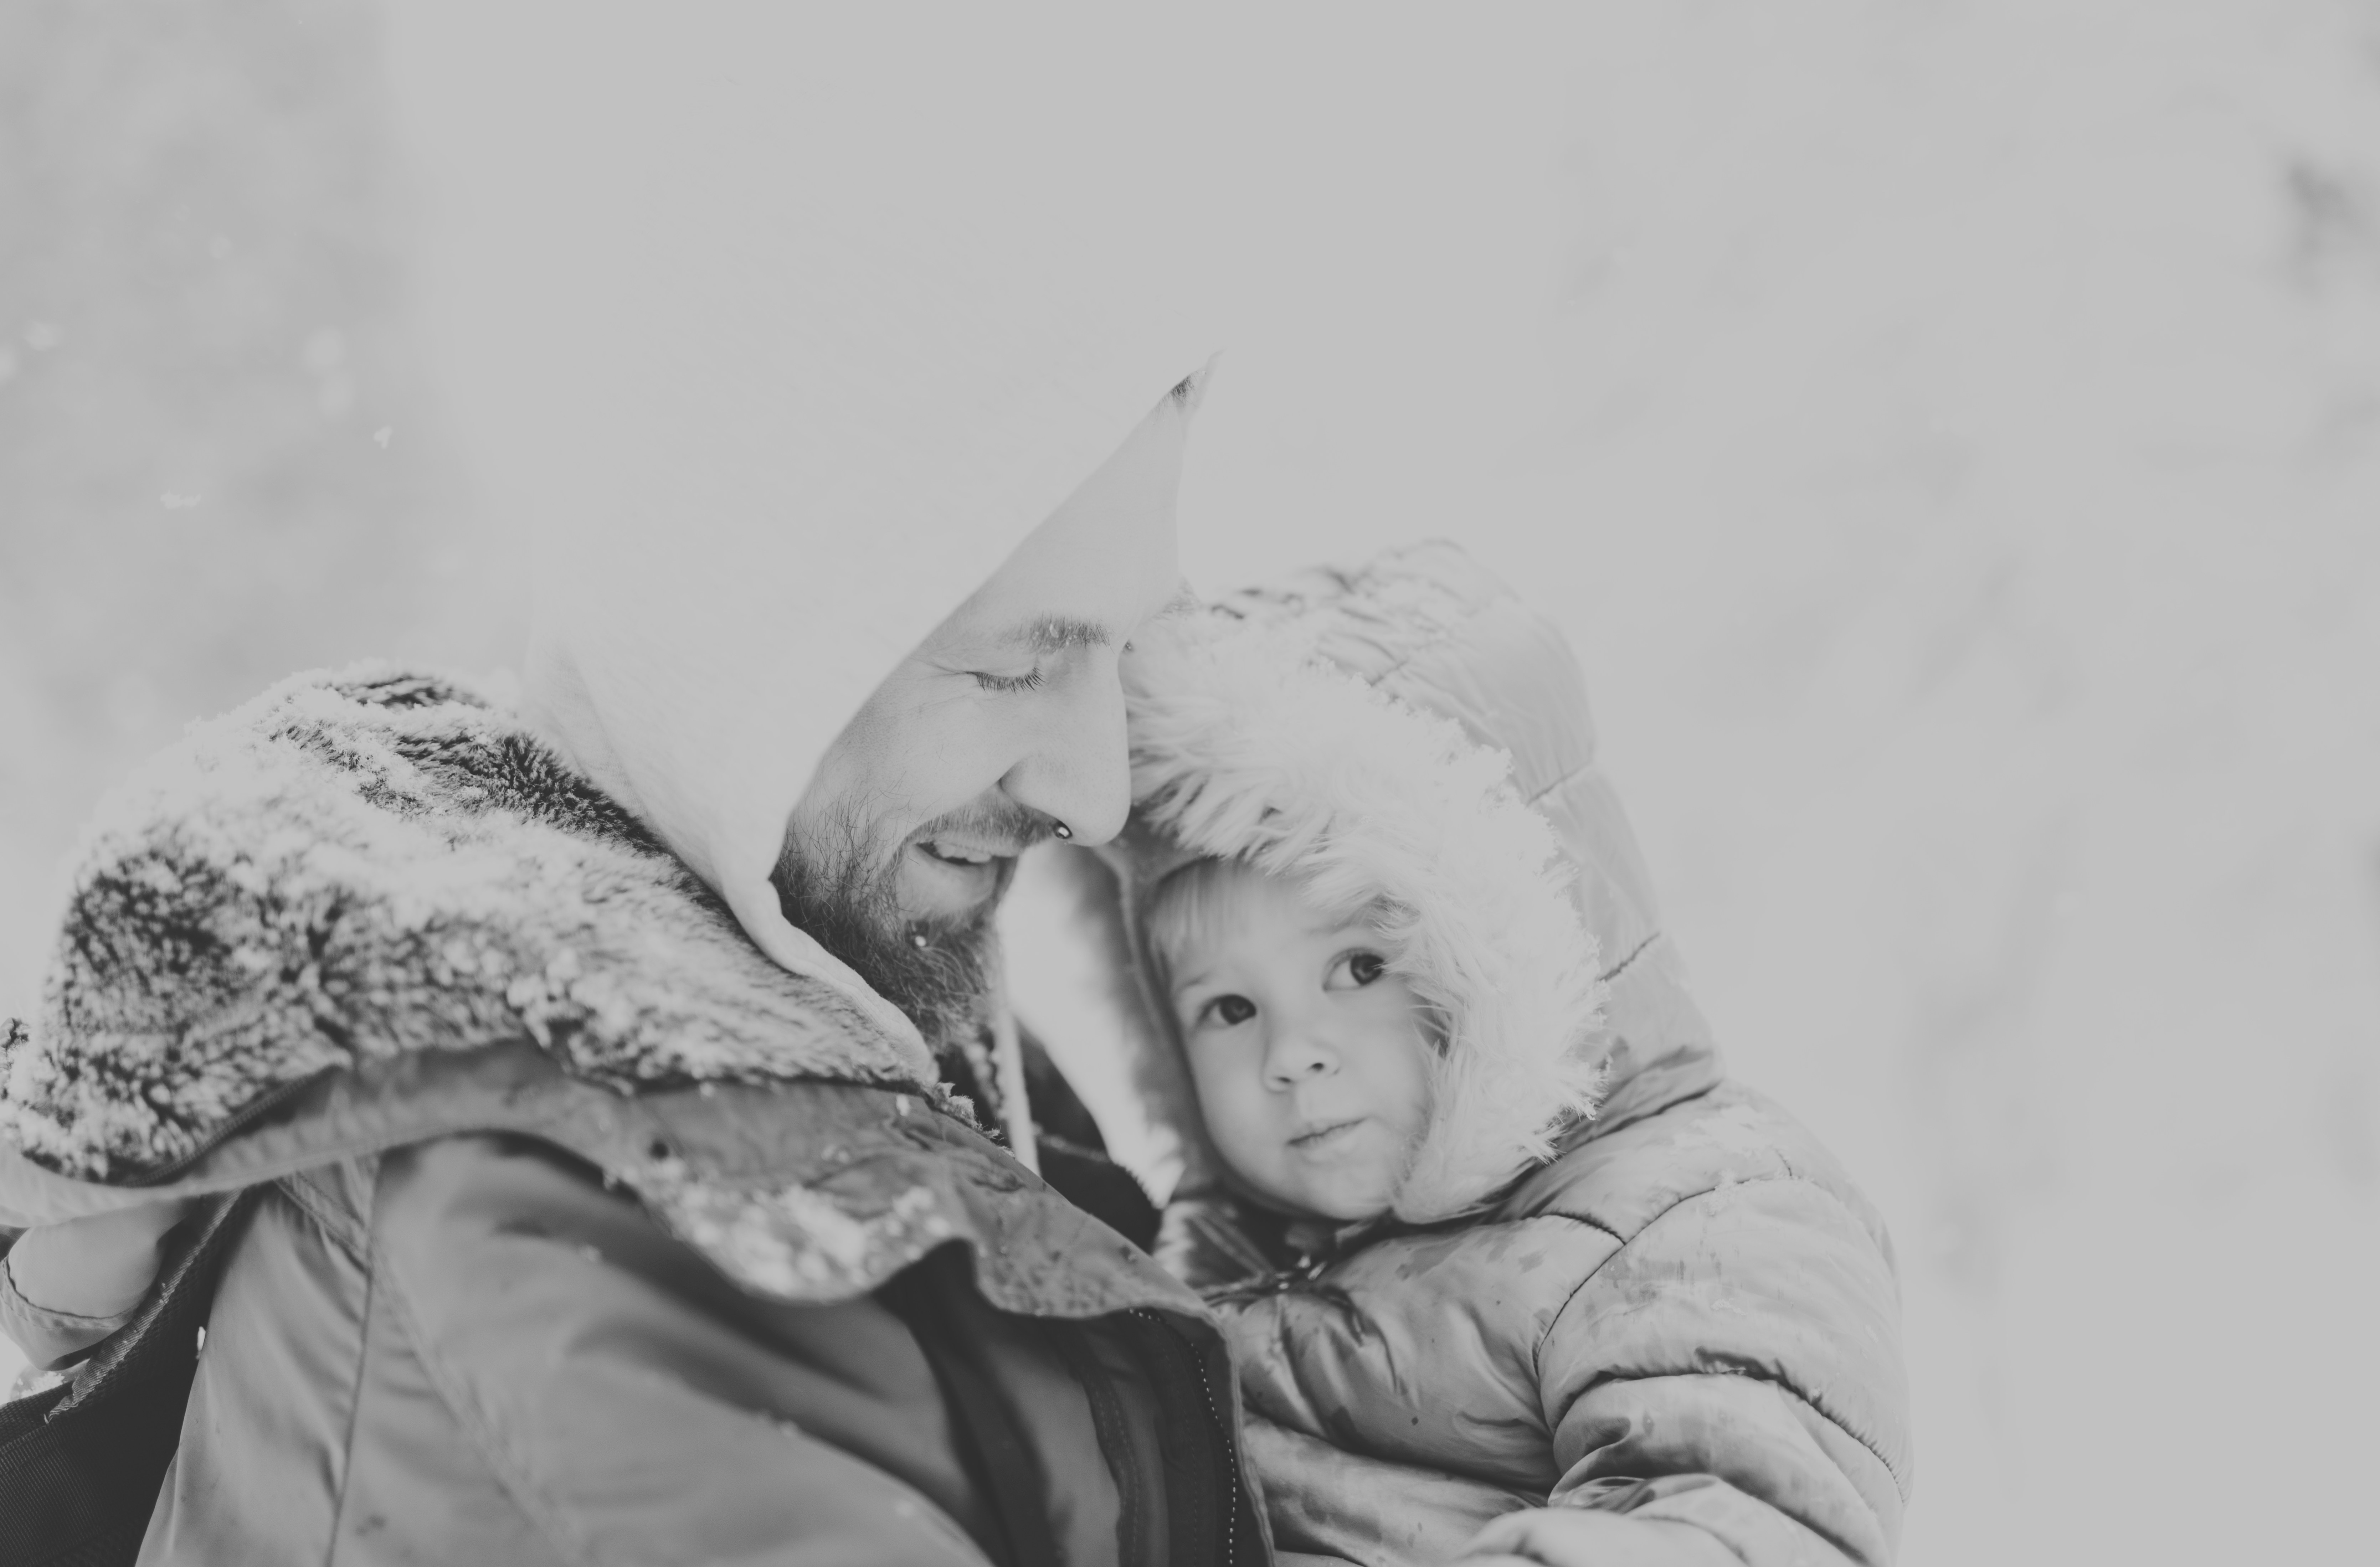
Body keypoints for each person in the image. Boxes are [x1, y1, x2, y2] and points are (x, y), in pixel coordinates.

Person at [1051, 540, 1912, 1567]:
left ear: (1501, 949)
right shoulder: (1214, 1254)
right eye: (1230, 1009)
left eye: (1362, 968)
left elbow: (1750, 1508)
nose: (1294, 1055)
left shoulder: (1695, 1214)